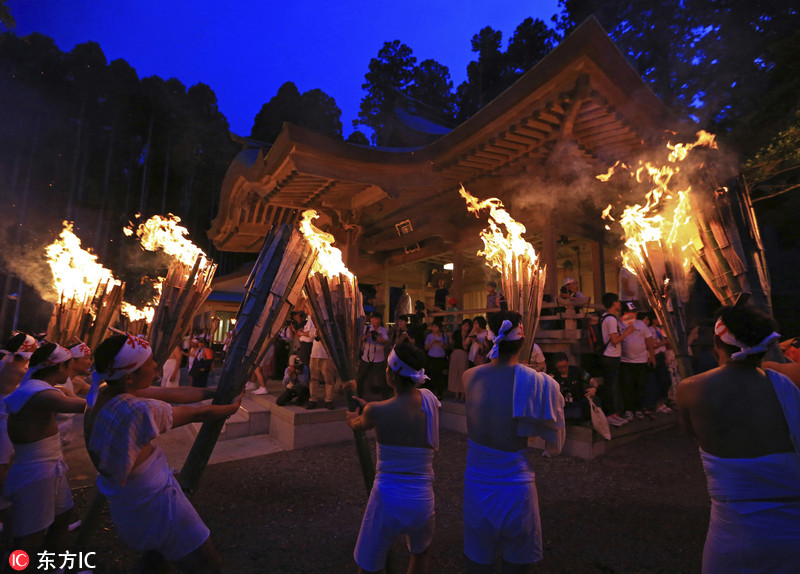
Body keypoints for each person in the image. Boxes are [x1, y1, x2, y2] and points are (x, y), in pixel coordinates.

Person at [84, 333, 242, 573]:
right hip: (156, 504)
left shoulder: (102, 392)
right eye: (148, 362)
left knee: (157, 561)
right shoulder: (135, 410)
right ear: (129, 377)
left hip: (127, 507)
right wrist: (231, 407)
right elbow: (198, 414)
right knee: (209, 566)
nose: (156, 365)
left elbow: (173, 394)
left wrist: (214, 391)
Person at [676, 306, 800, 573]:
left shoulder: (690, 389)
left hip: (734, 530)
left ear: (716, 341)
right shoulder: (785, 381)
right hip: (793, 526)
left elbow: (690, 434)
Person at [462, 311, 565, 572]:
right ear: (522, 341)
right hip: (517, 489)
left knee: (478, 566)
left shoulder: (470, 377)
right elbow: (555, 437)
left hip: (478, 487)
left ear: (489, 337)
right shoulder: (536, 382)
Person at [347, 342, 440, 574]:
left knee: (368, 563)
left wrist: (354, 408)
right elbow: (401, 414)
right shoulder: (429, 400)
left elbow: (358, 424)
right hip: (422, 498)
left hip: (387, 496)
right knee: (420, 554)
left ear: (393, 376)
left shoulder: (377, 411)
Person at [3, 343, 86, 556]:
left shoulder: (40, 388)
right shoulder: (43, 394)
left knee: (62, 517)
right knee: (29, 538)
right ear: (60, 368)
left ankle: (52, 568)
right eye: (68, 366)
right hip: (36, 473)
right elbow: (84, 406)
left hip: (47, 468)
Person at [598, 293, 634, 427]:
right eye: (618, 301)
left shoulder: (604, 317)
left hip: (608, 355)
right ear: (614, 303)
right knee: (611, 385)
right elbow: (615, 340)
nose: (619, 303)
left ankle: (612, 413)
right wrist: (627, 332)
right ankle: (610, 414)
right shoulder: (611, 319)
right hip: (611, 356)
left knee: (610, 384)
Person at [619, 304, 655, 419]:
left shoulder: (640, 324)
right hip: (625, 360)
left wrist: (652, 356)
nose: (635, 315)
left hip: (641, 360)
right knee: (627, 386)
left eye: (635, 313)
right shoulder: (619, 324)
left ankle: (638, 408)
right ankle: (628, 409)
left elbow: (648, 339)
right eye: (632, 312)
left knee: (640, 385)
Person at [549, 352, 598, 421]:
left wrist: (594, 388)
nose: (563, 369)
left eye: (564, 366)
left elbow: (592, 381)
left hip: (577, 403)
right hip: (560, 406)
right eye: (560, 367)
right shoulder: (552, 376)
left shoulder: (576, 371)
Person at [306, 319, 340, 410]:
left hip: (327, 355)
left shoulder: (332, 324)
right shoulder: (316, 324)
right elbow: (311, 334)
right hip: (315, 354)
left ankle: (328, 399)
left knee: (329, 379)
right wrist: (316, 332)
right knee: (313, 378)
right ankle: (313, 399)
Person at [357, 312, 389, 399]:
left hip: (378, 358)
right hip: (366, 358)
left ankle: (385, 399)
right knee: (360, 378)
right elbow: (360, 339)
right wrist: (369, 335)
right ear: (371, 319)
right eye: (374, 319)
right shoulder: (366, 328)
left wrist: (379, 337)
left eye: (378, 319)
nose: (376, 321)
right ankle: (358, 397)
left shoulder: (383, 330)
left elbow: (386, 340)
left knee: (382, 379)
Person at [448, 319, 472, 402]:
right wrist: (449, 336)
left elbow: (466, 347)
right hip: (455, 352)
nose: (465, 327)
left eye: (467, 325)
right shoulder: (457, 332)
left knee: (463, 373)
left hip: (464, 353)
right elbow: (452, 343)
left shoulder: (470, 335)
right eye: (464, 325)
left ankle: (463, 394)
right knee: (454, 373)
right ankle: (456, 393)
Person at [424, 321, 448, 399]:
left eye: (436, 327)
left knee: (440, 376)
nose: (434, 328)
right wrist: (432, 343)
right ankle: (431, 393)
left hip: (441, 358)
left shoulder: (444, 336)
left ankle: (440, 393)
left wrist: (441, 344)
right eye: (433, 327)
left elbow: (447, 347)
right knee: (431, 375)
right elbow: (426, 348)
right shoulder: (429, 336)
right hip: (431, 357)